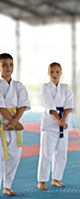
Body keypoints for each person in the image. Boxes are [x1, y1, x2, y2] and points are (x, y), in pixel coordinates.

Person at [37, 62, 73, 190]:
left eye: (57, 72)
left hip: (64, 123)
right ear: (48, 73)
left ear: (61, 73)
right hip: (50, 124)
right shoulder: (45, 87)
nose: (54, 74)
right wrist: (59, 120)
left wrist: (63, 120)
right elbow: (50, 106)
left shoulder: (66, 88)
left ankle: (56, 178)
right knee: (46, 153)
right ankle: (42, 180)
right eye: (52, 72)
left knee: (61, 153)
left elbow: (68, 106)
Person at [0, 53, 31, 196]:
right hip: (2, 124)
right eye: (4, 64)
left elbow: (23, 105)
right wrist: (14, 122)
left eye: (11, 64)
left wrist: (14, 123)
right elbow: (1, 107)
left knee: (14, 156)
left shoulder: (19, 86)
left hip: (15, 126)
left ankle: (7, 186)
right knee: (0, 156)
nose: (8, 67)